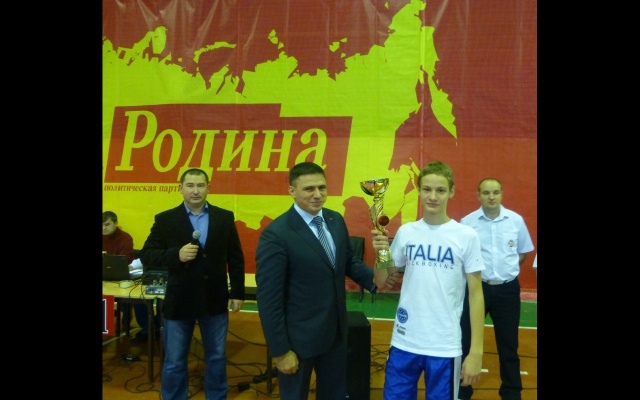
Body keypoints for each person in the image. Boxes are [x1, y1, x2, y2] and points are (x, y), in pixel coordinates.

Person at [255, 161, 396, 400]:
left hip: (335, 336)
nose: (317, 194)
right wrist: (280, 351)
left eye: (322, 187)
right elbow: (269, 299)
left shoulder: (334, 219)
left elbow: (347, 261)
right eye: (309, 189)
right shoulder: (276, 234)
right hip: (298, 341)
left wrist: (374, 277)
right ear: (292, 191)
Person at [371, 160, 485, 400]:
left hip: (444, 346)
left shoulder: (466, 236)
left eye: (440, 190)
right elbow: (382, 281)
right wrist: (381, 253)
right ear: (419, 190)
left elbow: (476, 294)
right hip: (404, 340)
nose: (433, 196)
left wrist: (476, 351)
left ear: (451, 192)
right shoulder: (407, 232)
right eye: (427, 189)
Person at [139, 168, 246, 400]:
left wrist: (238, 292)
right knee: (175, 359)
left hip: (215, 298)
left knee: (217, 356)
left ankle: (216, 396)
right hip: (180, 299)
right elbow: (147, 254)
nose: (195, 191)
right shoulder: (165, 219)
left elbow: (235, 258)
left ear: (209, 188)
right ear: (180, 188)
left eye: (200, 185)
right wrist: (175, 255)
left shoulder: (224, 217)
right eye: (190, 185)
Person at [458, 177, 534, 400]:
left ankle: (511, 392)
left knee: (508, 345)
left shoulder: (515, 221)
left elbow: (522, 253)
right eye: (486, 193)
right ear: (478, 195)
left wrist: (504, 273)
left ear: (502, 194)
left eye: (495, 192)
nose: (491, 197)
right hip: (476, 290)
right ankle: (462, 390)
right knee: (466, 341)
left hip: (507, 291)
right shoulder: (467, 223)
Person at [102, 211, 135, 328]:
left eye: (107, 224)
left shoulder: (125, 238)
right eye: (102, 225)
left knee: (128, 291)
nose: (103, 228)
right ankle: (109, 316)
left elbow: (126, 259)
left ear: (116, 223)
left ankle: (125, 313)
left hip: (119, 277)